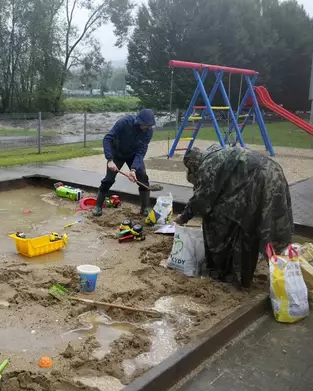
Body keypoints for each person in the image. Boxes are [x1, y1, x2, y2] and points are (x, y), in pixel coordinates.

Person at [175, 145, 294, 288]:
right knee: (271, 224)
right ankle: (286, 273)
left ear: (193, 165)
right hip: (274, 171)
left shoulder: (207, 166)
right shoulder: (216, 152)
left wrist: (183, 217)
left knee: (240, 225)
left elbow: (202, 200)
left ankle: (231, 273)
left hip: (259, 179)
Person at [93, 109, 155, 217]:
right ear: (140, 122)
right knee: (108, 179)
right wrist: (110, 160)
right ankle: (98, 205)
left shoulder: (148, 132)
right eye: (146, 125)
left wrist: (133, 169)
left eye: (150, 126)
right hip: (117, 154)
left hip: (133, 155)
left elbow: (141, 151)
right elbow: (107, 139)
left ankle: (145, 207)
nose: (148, 128)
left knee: (143, 178)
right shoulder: (124, 122)